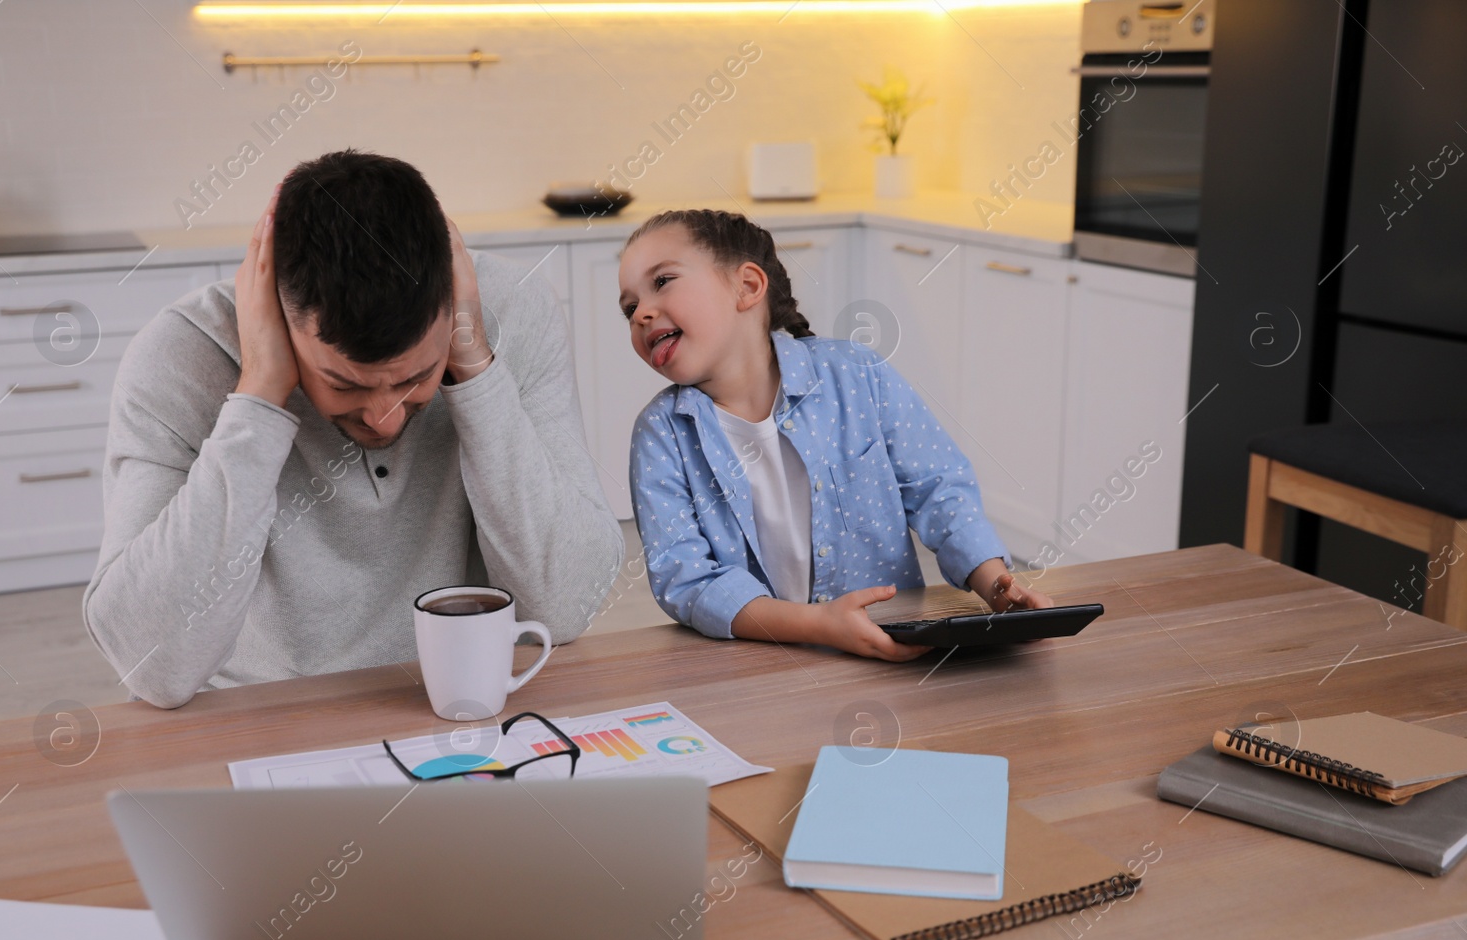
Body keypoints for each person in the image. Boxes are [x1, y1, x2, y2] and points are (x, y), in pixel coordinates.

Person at [84, 150, 622, 708]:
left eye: (416, 377)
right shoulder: (180, 355)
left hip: (459, 700)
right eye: (344, 385)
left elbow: (563, 607)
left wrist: (475, 370)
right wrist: (260, 394)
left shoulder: (510, 312)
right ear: (274, 314)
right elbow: (153, 667)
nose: (384, 417)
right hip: (263, 713)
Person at [621, 209, 1051, 662]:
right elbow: (686, 579)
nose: (641, 314)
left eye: (663, 281)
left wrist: (997, 585)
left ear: (746, 287)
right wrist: (821, 626)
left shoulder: (857, 375)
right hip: (755, 661)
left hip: (891, 648)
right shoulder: (660, 435)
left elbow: (938, 490)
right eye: (629, 307)